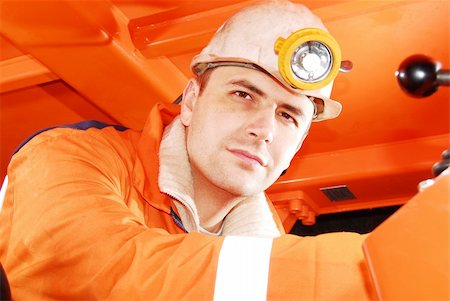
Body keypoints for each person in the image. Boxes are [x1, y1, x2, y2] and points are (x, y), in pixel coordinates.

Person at [0, 0, 374, 299]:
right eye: (243, 94)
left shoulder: (268, 243)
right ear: (193, 100)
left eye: (289, 116)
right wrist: (371, 269)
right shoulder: (65, 157)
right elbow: (93, 274)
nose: (264, 130)